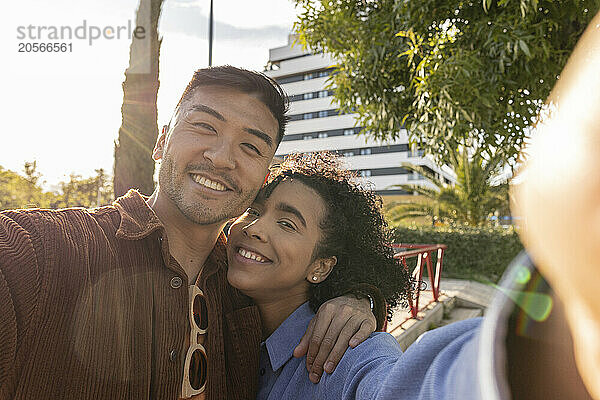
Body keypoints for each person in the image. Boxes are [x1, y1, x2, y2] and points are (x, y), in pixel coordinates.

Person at [0, 66, 382, 400]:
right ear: (161, 141)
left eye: (250, 146)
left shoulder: (244, 290)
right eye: (204, 126)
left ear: (264, 178)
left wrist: (359, 299)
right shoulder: (42, 251)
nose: (221, 157)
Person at [225, 151, 413, 399]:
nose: (254, 229)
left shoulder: (346, 351)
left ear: (320, 267)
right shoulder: (211, 299)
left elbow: (388, 383)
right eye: (254, 211)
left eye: (286, 224)